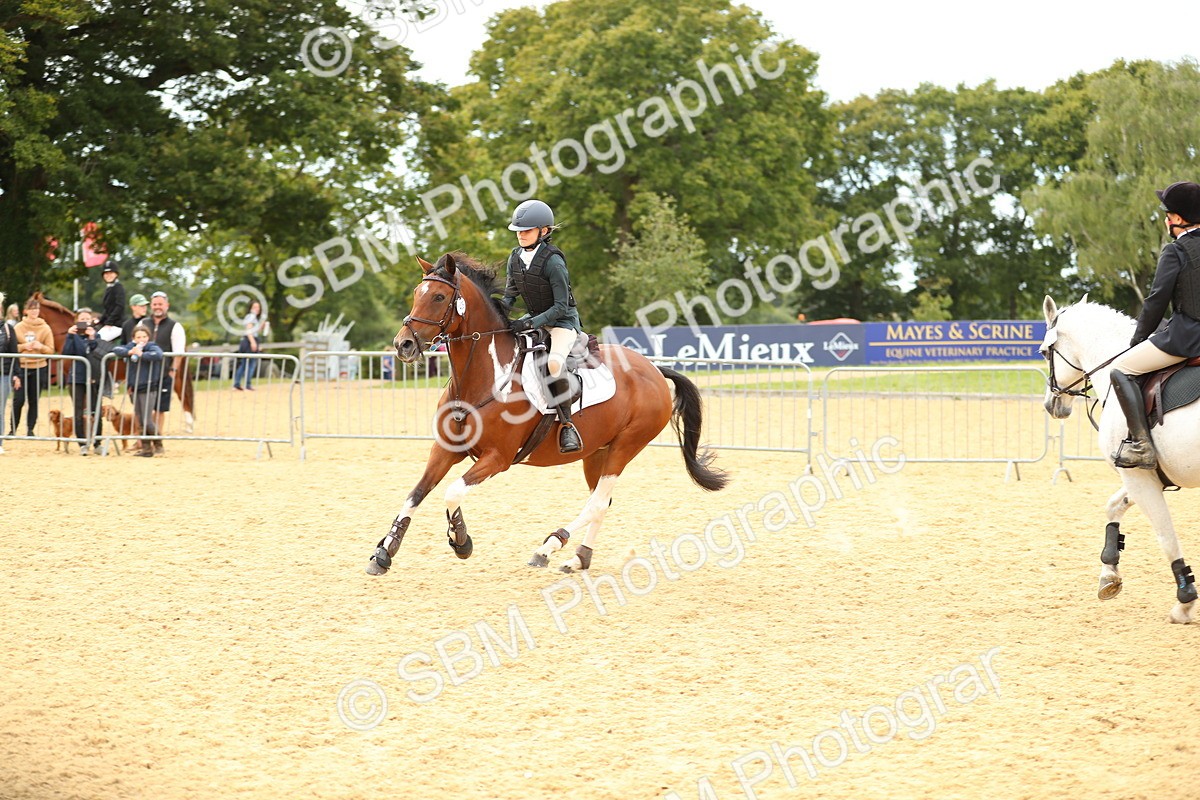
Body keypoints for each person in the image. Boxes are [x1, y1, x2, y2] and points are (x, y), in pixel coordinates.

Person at [1109, 181, 1200, 469]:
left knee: (1122, 368)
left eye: (1167, 213)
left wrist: (1137, 341)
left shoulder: (1176, 251)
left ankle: (1141, 445)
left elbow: (1156, 301)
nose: (1165, 218)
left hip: (1188, 338)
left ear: (1177, 219)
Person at [500, 199, 585, 453]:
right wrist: (498, 314)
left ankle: (567, 425)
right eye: (518, 231)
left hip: (562, 323)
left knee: (553, 364)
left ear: (544, 231)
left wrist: (529, 321)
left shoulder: (553, 262)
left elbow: (560, 306)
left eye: (526, 230)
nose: (521, 235)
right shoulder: (514, 259)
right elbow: (509, 296)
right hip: (535, 319)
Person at [113, 323, 162, 457]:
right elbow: (116, 349)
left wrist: (142, 354)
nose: (141, 339)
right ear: (133, 338)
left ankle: (158, 445)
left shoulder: (152, 346)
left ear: (148, 337)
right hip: (135, 388)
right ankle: (146, 448)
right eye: (138, 336)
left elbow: (158, 355)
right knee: (139, 419)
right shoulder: (131, 346)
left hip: (149, 387)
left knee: (147, 420)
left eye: (144, 336)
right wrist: (129, 352)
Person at [146, 290, 186, 453]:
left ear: (166, 306)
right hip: (145, 373)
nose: (157, 307)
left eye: (160, 304)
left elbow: (179, 352)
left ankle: (157, 439)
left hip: (163, 373)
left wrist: (173, 371)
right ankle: (145, 440)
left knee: (159, 409)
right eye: (155, 304)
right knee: (144, 409)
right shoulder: (143, 324)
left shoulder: (175, 326)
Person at [62, 308, 106, 455]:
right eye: (81, 319)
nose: (85, 322)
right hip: (77, 377)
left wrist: (92, 338)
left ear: (92, 321)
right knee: (78, 411)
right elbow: (67, 353)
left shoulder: (97, 335)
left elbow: (95, 352)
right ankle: (82, 443)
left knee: (96, 410)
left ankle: (97, 442)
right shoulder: (73, 336)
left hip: (93, 377)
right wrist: (70, 336)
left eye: (87, 319)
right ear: (76, 322)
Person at [11, 297, 55, 437]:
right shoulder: (18, 327)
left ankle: (30, 429)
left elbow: (50, 349)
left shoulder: (45, 328)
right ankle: (13, 428)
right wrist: (25, 346)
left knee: (34, 399)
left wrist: (40, 347)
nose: (34, 311)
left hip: (39, 367)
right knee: (18, 399)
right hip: (22, 367)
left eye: (36, 309)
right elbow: (12, 347)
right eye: (31, 309)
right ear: (26, 311)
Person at [233, 300, 264, 391]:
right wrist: (253, 342)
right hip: (249, 341)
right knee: (250, 364)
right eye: (255, 307)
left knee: (244, 364)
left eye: (258, 307)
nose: (257, 309)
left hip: (249, 340)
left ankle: (237, 383)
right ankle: (247, 384)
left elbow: (256, 331)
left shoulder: (253, 318)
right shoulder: (251, 317)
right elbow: (249, 331)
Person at [0, 291, 16, 454]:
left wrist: (16, 374)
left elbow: (14, 353)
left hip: (3, 374)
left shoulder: (8, 329)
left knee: (0, 408)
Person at [95, 265, 126, 341]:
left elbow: (119, 306)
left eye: (111, 273)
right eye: (106, 273)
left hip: (116, 324)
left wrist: (109, 322)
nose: (108, 276)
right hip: (109, 323)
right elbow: (107, 309)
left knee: (98, 340)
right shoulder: (109, 288)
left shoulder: (118, 287)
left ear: (116, 274)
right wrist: (100, 321)